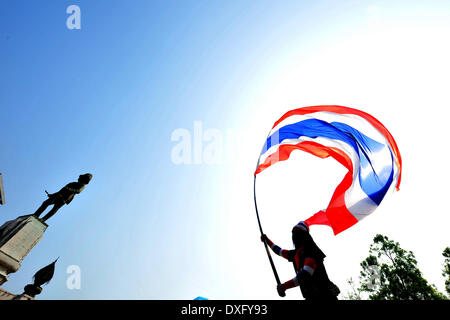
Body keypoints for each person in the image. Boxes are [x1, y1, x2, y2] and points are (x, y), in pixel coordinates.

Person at [261, 221, 340, 300]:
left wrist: (284, 286)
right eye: (294, 233)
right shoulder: (296, 254)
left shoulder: (311, 251)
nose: (295, 236)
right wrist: (267, 240)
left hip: (325, 296)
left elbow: (305, 275)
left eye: (297, 233)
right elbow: (279, 251)